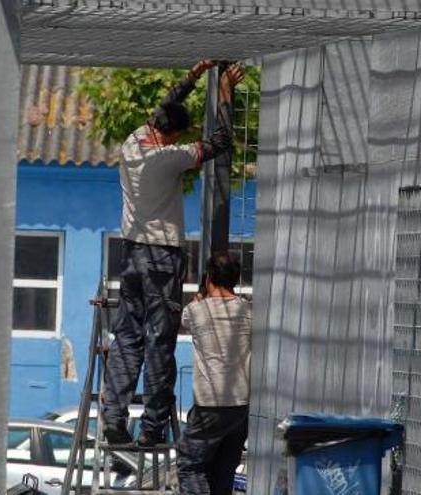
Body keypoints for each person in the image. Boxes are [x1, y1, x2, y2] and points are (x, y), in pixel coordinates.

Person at [102, 60, 245, 446]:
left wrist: (193, 77)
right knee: (159, 341)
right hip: (162, 257)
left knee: (127, 337)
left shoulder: (134, 142)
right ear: (172, 135)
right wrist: (224, 92)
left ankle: (113, 421)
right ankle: (152, 428)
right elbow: (220, 143)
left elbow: (164, 107)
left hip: (131, 253)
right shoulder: (168, 157)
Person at [177, 253, 251, 495]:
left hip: (210, 404)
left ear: (208, 278)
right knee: (224, 472)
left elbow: (184, 319)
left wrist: (201, 297)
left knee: (190, 465)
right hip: (240, 406)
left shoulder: (196, 311)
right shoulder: (248, 311)